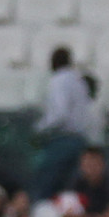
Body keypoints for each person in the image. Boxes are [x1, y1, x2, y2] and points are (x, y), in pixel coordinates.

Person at [35, 48, 94, 202]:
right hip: (79, 139)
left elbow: (60, 114)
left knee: (47, 186)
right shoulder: (79, 81)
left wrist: (40, 128)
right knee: (71, 189)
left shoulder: (59, 79)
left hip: (61, 140)